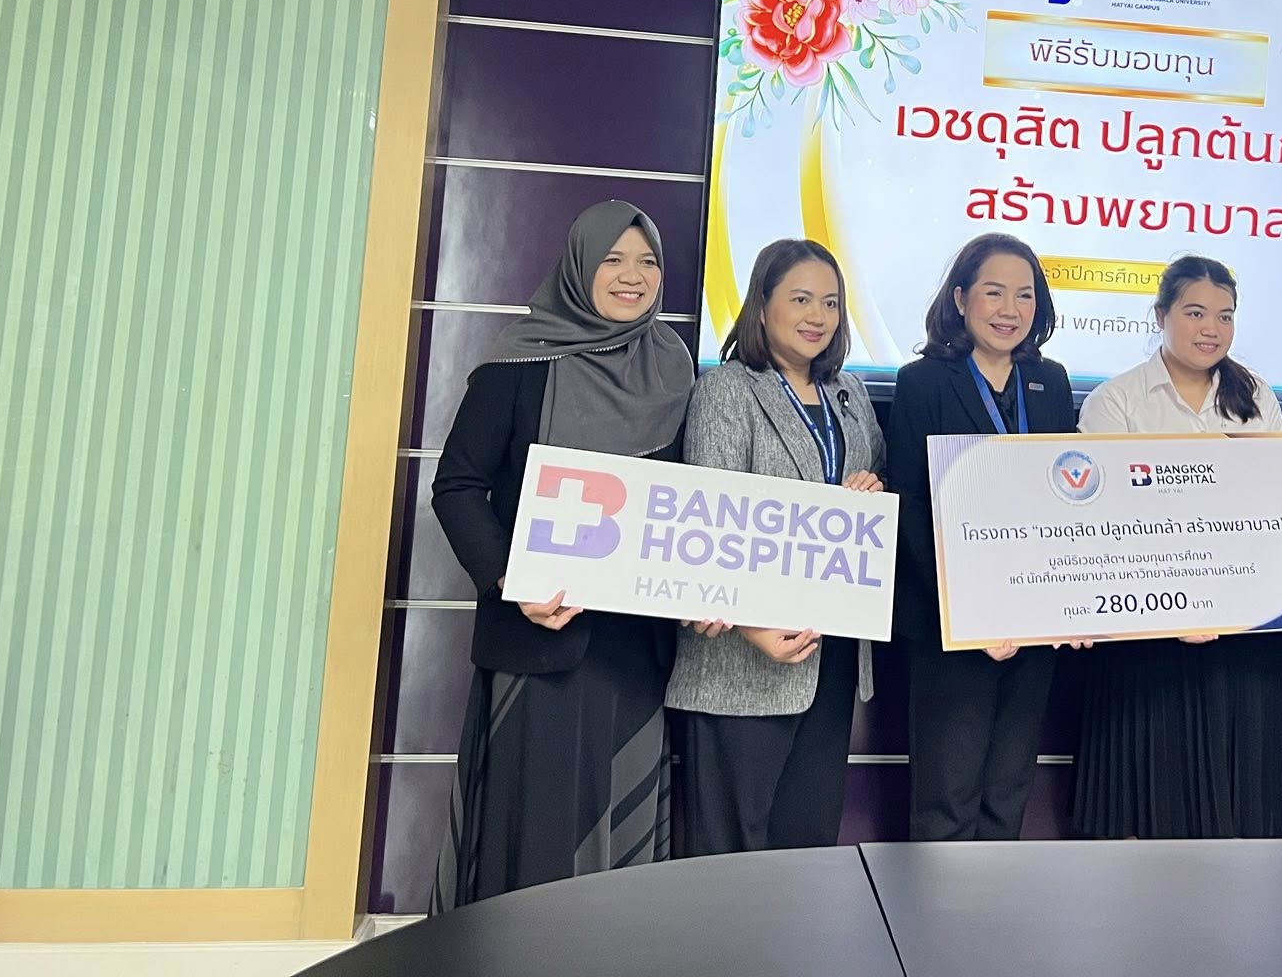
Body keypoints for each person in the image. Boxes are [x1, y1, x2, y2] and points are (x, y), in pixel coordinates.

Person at [430, 200, 696, 908]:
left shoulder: (674, 369)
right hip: (539, 641)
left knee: (620, 849)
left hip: (635, 650)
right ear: (579, 267)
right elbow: (457, 486)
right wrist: (511, 580)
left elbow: (689, 499)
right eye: (613, 259)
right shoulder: (522, 362)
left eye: (648, 262)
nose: (633, 276)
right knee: (535, 844)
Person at [1073, 255, 1282, 839]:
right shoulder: (1116, 401)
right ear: (1161, 315)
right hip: (1146, 641)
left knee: (1242, 822)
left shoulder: (1256, 395)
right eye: (1195, 313)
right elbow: (1103, 524)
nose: (1211, 329)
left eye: (1225, 315)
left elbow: (1278, 506)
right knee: (1151, 817)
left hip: (1243, 640)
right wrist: (1179, 606)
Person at [665, 239, 885, 855]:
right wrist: (752, 626)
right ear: (762, 306)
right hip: (742, 659)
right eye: (801, 299)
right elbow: (708, 523)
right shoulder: (727, 390)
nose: (818, 316)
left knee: (807, 848)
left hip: (830, 653)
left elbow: (879, 482)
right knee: (730, 856)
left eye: (831, 303)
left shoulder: (850, 394)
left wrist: (872, 488)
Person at [885, 234, 1079, 840]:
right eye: (994, 293)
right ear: (961, 298)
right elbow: (911, 504)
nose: (1009, 310)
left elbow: (1068, 500)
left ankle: (993, 903)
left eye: (1025, 295)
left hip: (1032, 625)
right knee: (947, 797)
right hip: (951, 624)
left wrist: (1068, 599)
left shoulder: (1050, 382)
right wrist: (971, 613)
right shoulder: (923, 382)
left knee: (1007, 791)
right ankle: (937, 906)